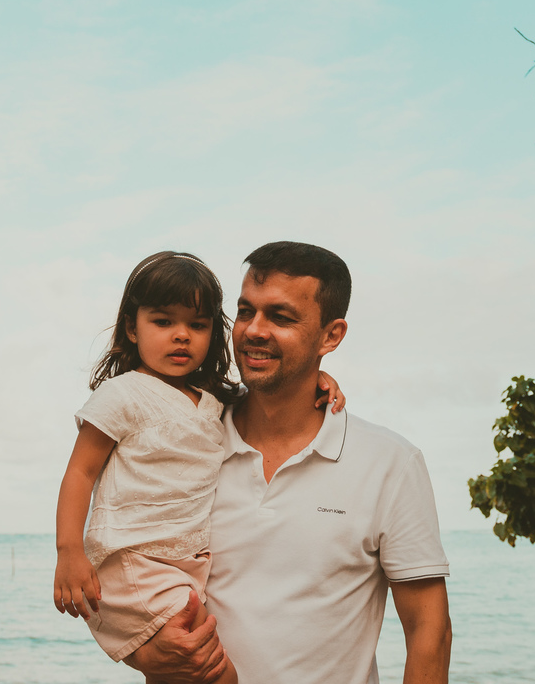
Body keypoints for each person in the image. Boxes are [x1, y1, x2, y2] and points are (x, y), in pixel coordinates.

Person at [127, 241, 452, 684]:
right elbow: (117, 560)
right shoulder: (182, 435)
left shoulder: (390, 464)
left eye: (280, 317)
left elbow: (429, 632)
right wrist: (142, 653)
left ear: (331, 335)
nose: (254, 331)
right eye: (245, 312)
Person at [52, 251, 344, 681]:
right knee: (215, 674)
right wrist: (69, 552)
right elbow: (79, 473)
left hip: (181, 566)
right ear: (133, 327)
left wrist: (321, 378)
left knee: (179, 670)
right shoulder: (123, 394)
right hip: (134, 559)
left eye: (198, 324)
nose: (182, 336)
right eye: (164, 321)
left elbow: (272, 398)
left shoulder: (212, 401)